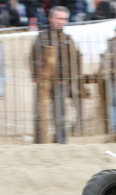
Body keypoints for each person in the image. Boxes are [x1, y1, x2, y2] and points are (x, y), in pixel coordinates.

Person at [30, 6, 81, 143]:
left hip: (60, 83)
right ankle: (39, 142)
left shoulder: (68, 39)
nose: (61, 22)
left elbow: (74, 60)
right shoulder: (42, 37)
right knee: (40, 115)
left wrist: (68, 79)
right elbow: (33, 56)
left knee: (60, 116)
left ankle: (61, 143)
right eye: (59, 18)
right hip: (43, 83)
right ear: (50, 18)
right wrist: (35, 76)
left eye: (64, 19)